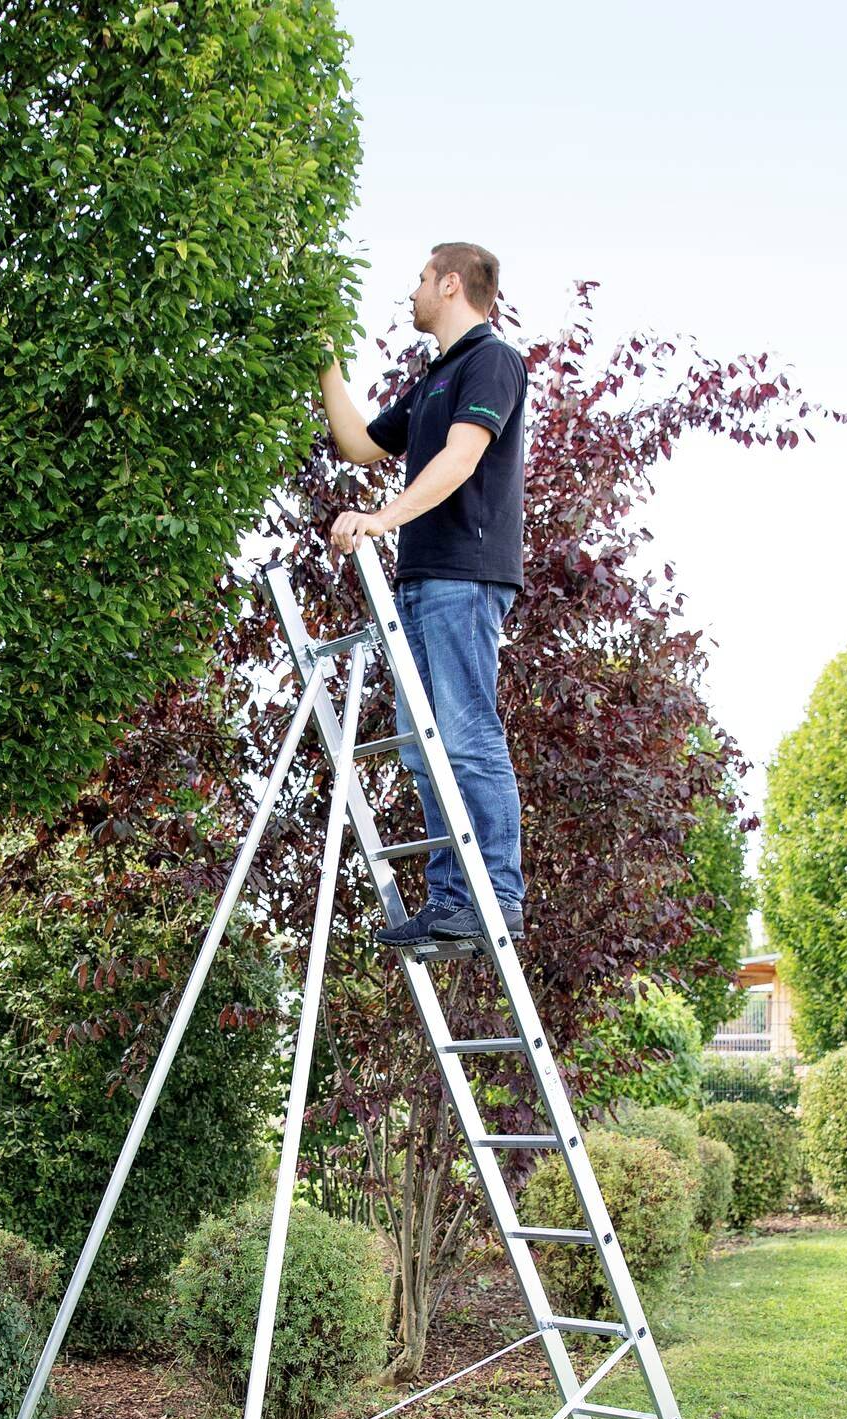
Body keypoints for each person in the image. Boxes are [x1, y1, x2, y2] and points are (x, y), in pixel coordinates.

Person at [318, 241, 529, 948]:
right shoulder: (434, 376)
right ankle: (450, 900)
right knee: (424, 749)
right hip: (420, 580)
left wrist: (381, 518)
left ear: (449, 283)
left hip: (465, 577)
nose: (410, 290)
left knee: (467, 738)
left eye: (419, 278)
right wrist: (324, 359)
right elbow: (359, 443)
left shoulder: (490, 361)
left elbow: (462, 457)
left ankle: (497, 895)